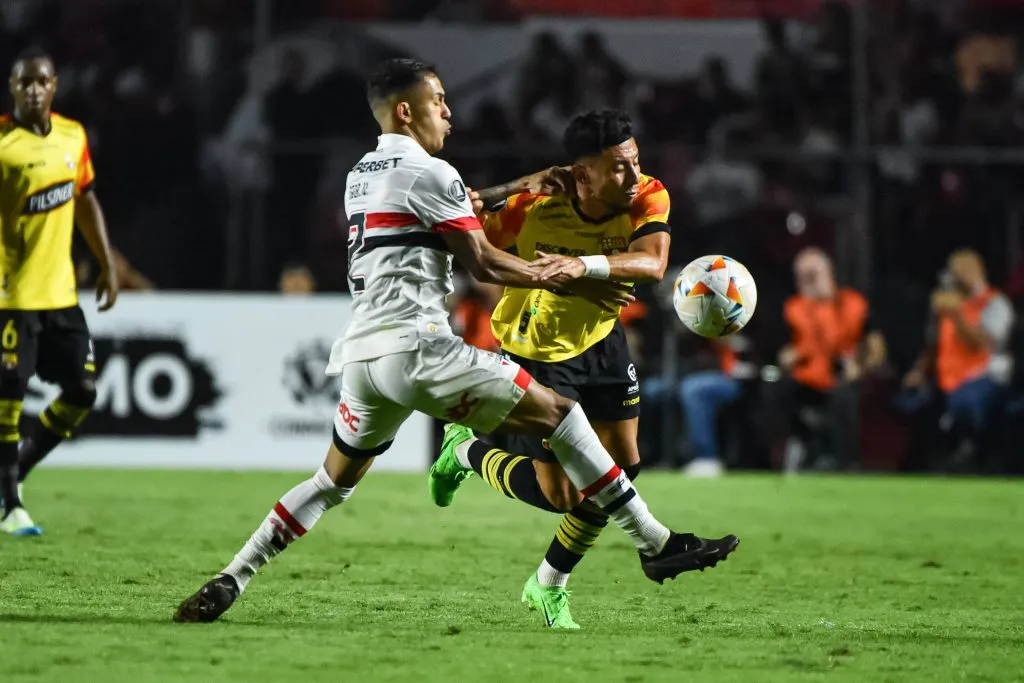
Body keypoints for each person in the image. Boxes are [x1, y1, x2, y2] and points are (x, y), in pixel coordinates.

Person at [174, 60, 738, 624]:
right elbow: (485, 262)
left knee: (330, 484)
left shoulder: (360, 175)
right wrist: (555, 273)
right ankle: (653, 541)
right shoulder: (433, 172)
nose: (448, 111)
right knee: (564, 417)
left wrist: (519, 187)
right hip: (420, 350)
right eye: (438, 100)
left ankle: (233, 575)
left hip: (363, 356)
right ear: (406, 111)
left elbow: (443, 217)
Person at [427, 110, 737, 629]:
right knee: (563, 496)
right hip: (539, 349)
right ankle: (465, 450)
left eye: (634, 161)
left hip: (602, 338)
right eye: (618, 167)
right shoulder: (536, 206)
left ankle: (549, 582)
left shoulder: (647, 194)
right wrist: (515, 187)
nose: (633, 175)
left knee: (623, 467)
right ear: (583, 173)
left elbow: (653, 263)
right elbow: (461, 226)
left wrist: (581, 267)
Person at [0, 47, 119, 536]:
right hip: (11, 298)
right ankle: (11, 505)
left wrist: (107, 264)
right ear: (12, 88)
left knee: (82, 392)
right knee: (8, 398)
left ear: (54, 86)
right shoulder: (3, 143)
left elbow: (84, 198)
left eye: (41, 81)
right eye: (24, 82)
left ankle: (16, 476)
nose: (33, 89)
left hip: (61, 296)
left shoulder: (73, 136)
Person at [902, 249, 1015, 466]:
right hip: (948, 377)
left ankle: (976, 455)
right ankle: (928, 462)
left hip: (985, 376)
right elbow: (932, 344)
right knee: (912, 402)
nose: (949, 280)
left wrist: (957, 317)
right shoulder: (948, 305)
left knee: (965, 401)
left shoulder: (995, 303)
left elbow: (985, 344)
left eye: (954, 274)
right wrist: (919, 371)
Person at [779, 248, 885, 472]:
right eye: (803, 276)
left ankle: (844, 462)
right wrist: (787, 358)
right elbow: (783, 349)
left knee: (844, 397)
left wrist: (862, 367)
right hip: (808, 376)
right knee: (776, 390)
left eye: (813, 275)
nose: (808, 282)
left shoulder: (854, 303)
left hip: (845, 374)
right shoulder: (794, 307)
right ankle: (804, 444)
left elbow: (877, 346)